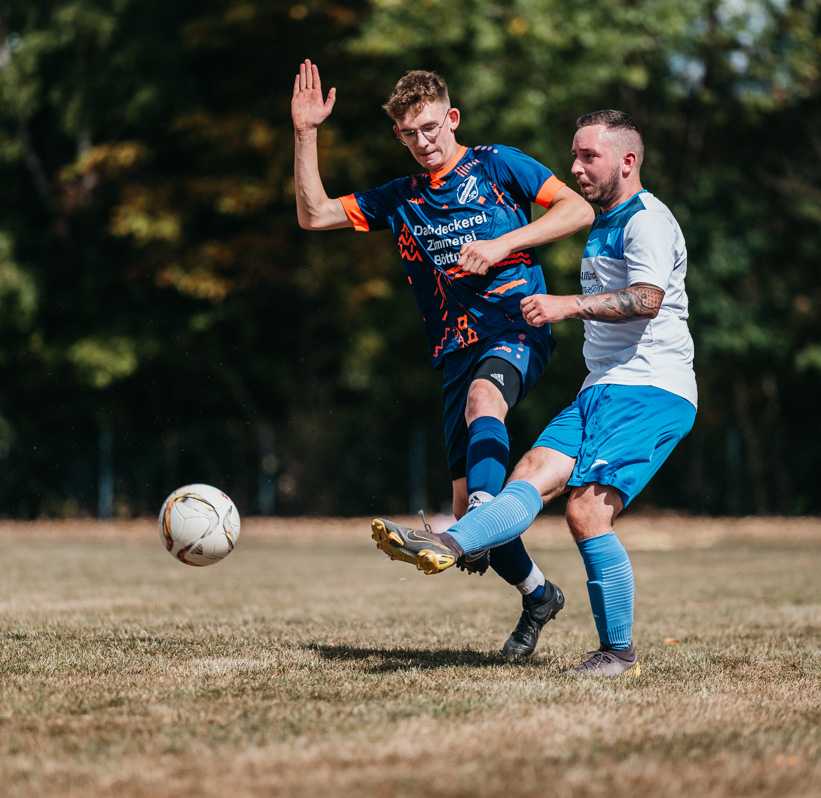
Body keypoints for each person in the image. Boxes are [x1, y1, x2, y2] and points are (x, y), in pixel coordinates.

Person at [371, 110, 697, 677]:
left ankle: (617, 652)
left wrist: (566, 305)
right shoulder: (604, 222)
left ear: (628, 160)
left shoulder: (648, 220)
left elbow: (647, 298)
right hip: (602, 388)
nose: (575, 167)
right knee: (525, 477)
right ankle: (454, 542)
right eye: (574, 155)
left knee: (585, 512)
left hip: (651, 388)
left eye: (587, 157)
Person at [292, 60, 595, 656]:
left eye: (431, 127)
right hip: (454, 355)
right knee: (474, 522)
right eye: (409, 134)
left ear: (451, 118)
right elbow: (313, 213)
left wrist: (502, 244)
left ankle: (474, 521)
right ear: (398, 136)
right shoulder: (401, 198)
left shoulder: (497, 164)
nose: (423, 142)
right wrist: (306, 134)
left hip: (519, 326)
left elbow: (577, 211)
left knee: (486, 416)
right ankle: (538, 594)